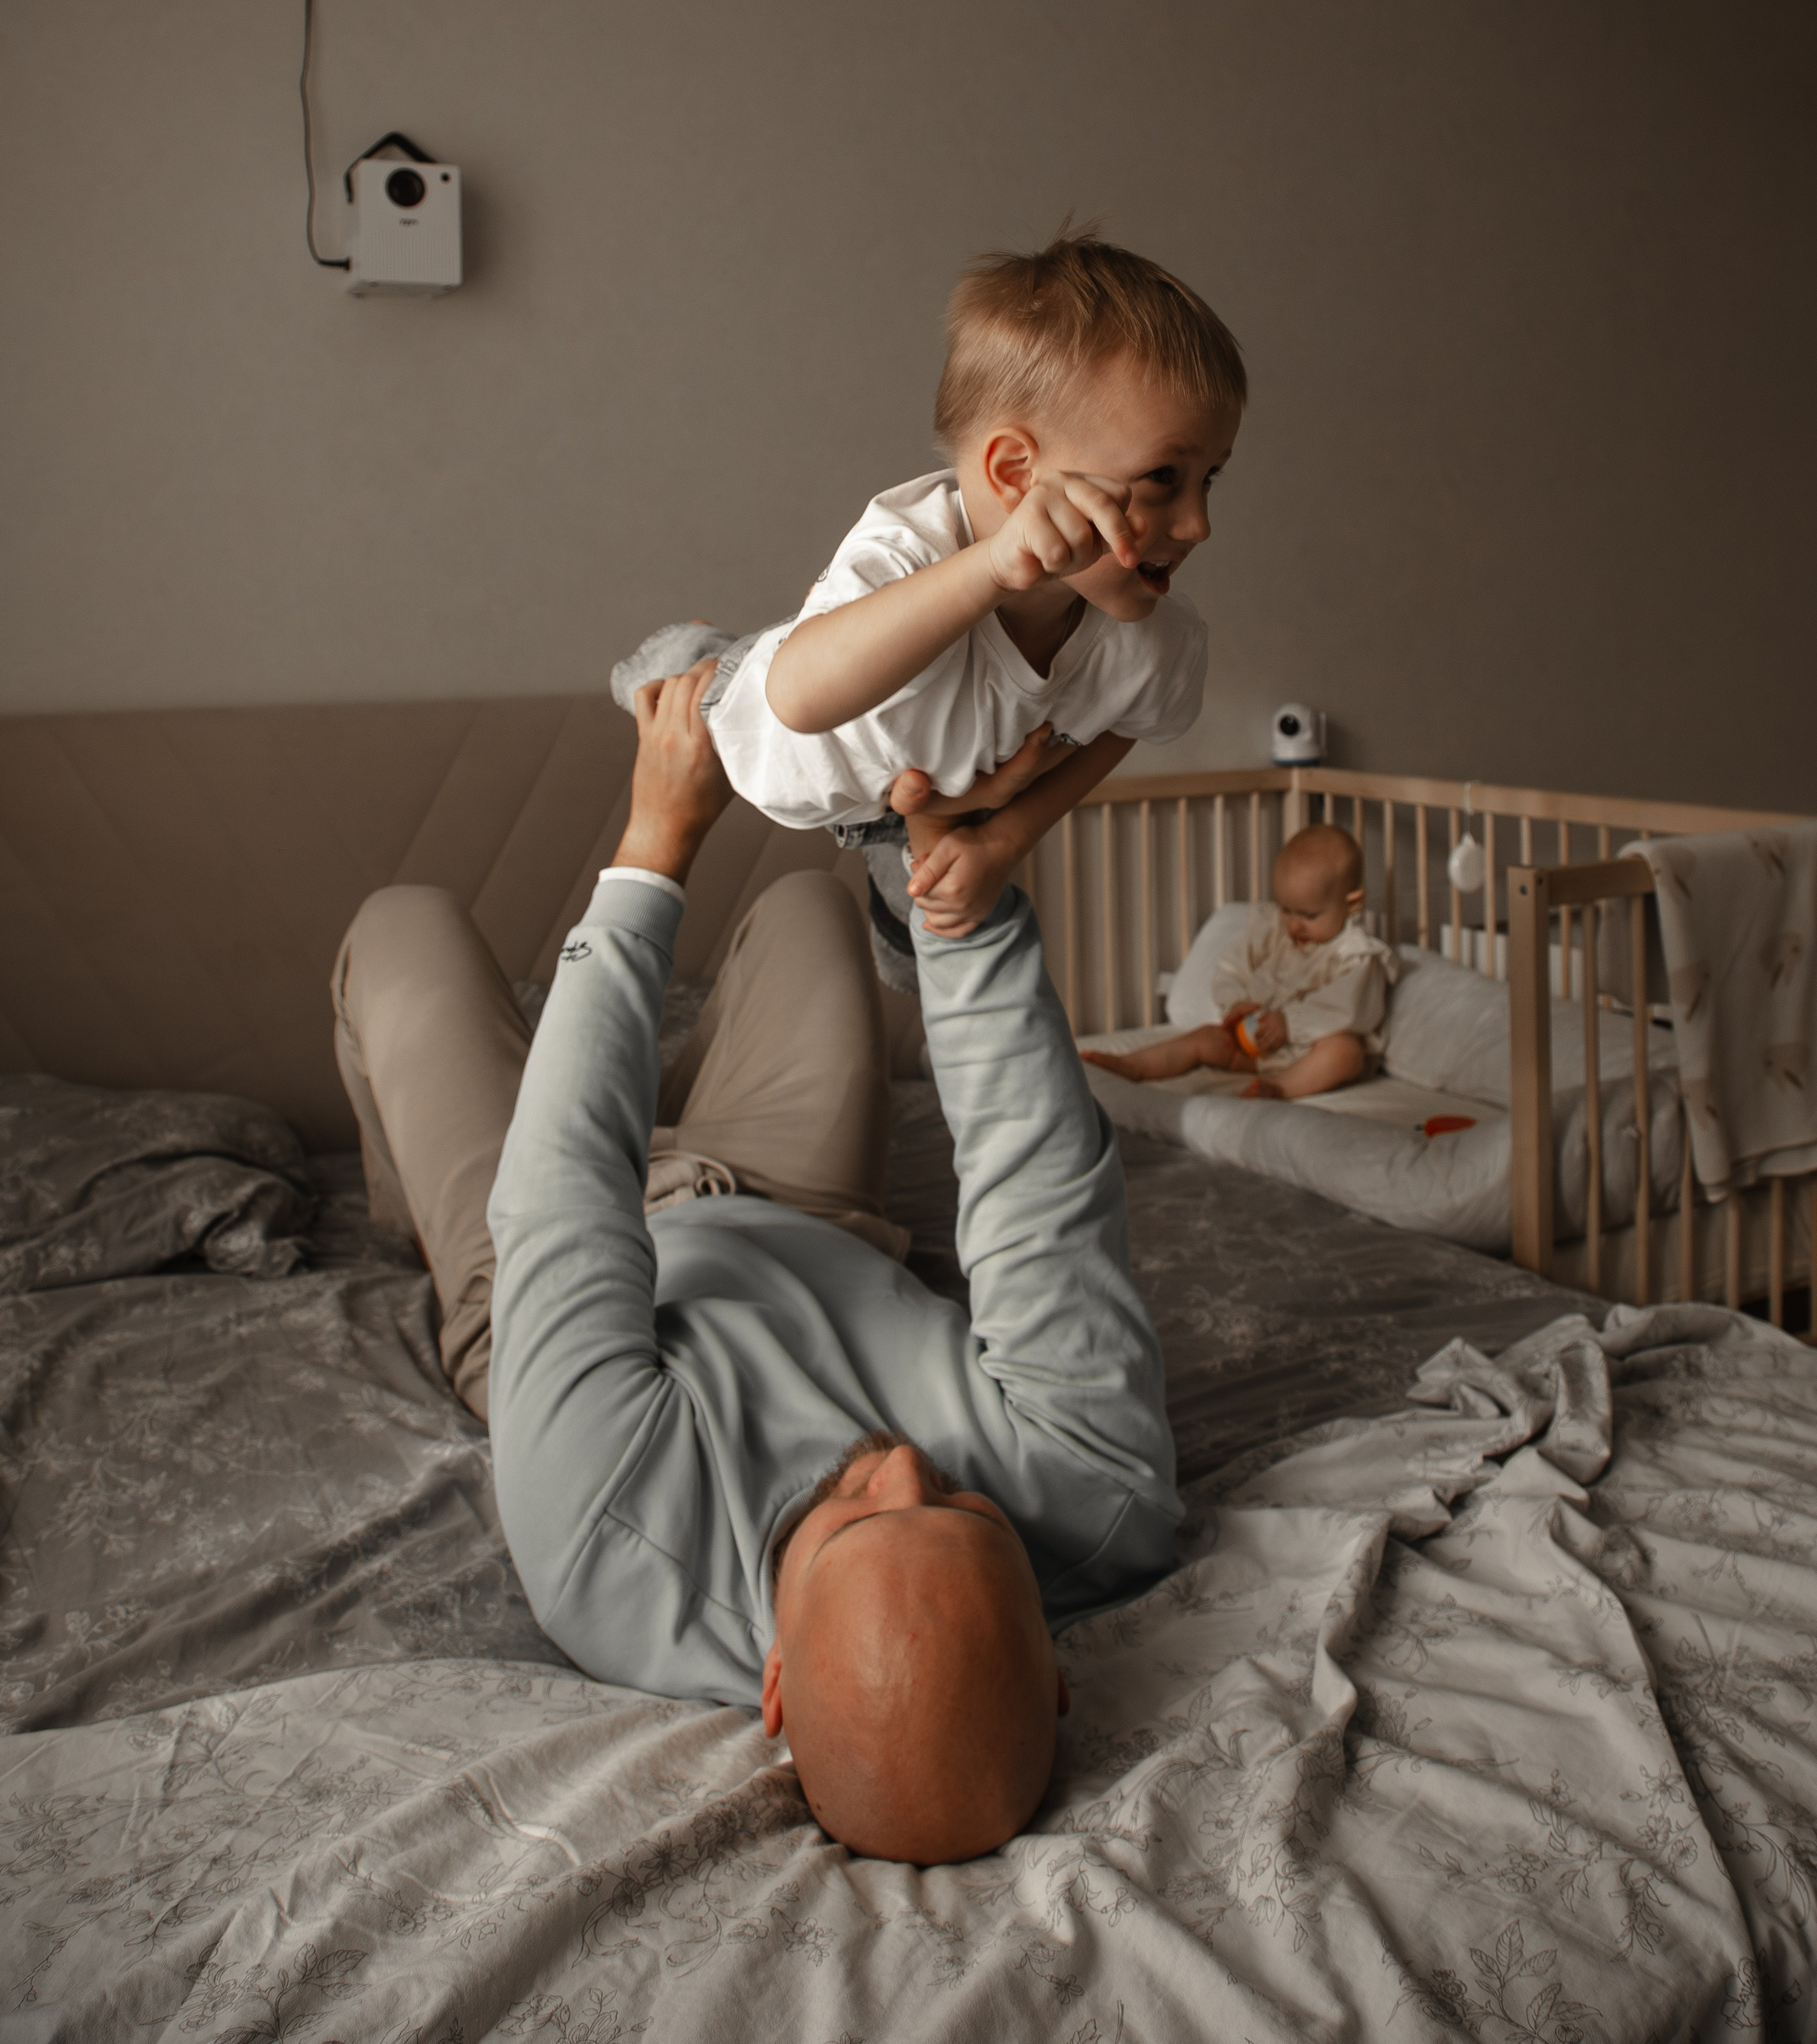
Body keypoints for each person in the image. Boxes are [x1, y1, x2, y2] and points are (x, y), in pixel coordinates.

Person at [329, 662, 1180, 1865]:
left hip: (549, 1283)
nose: (899, 1467)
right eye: (964, 1506)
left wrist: (654, 842)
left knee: (402, 921)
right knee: (804, 902)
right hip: (809, 1218)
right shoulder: (1099, 1498)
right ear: (1054, 1673)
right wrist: (956, 888)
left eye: (850, 1525)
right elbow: (1040, 1177)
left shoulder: (612, 1545)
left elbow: (566, 1195)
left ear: (774, 1685)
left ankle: (399, 1201)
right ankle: (715, 1038)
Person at [611, 231, 1245, 966]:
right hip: (784, 732)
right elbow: (798, 697)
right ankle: (703, 647)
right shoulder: (908, 549)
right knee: (688, 685)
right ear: (1016, 475)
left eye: (1211, 479)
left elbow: (1129, 720)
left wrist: (1006, 838)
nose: (1199, 524)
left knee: (922, 953)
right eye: (1165, 477)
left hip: (906, 794)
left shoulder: (1151, 644)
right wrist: (992, 567)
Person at [1082, 823, 1398, 1101]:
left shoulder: (1355, 954)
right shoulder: (1273, 931)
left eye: (1309, 915)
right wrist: (1236, 1003)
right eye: (1287, 909)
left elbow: (1350, 1008)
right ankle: (1133, 1065)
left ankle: (1281, 1088)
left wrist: (1290, 1025)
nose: (1295, 924)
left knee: (1345, 1052)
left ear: (1352, 903)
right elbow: (1233, 966)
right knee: (1207, 1037)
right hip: (1255, 1045)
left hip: (1309, 1049)